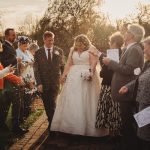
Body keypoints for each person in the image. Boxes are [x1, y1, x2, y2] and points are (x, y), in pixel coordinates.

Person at [50, 34, 108, 137]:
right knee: (72, 100)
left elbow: (93, 63)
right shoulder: (73, 50)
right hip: (73, 77)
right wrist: (63, 75)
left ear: (85, 44)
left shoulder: (91, 49)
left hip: (86, 76)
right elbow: (68, 63)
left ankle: (86, 129)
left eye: (80, 45)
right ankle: (70, 127)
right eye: (77, 45)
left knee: (85, 100)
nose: (78, 47)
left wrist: (91, 73)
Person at [102, 24, 145, 150]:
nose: (124, 33)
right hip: (124, 91)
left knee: (128, 123)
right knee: (127, 122)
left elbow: (128, 70)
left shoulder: (135, 49)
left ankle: (130, 146)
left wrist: (111, 62)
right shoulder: (130, 48)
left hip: (127, 92)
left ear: (131, 35)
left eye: (127, 32)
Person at [119, 36, 150, 150]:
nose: (144, 50)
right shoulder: (147, 64)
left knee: (145, 136)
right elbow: (139, 78)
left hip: (148, 106)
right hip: (142, 104)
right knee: (142, 133)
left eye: (146, 48)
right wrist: (128, 86)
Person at [34, 31, 65, 134]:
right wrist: (39, 83)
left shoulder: (59, 51)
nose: (51, 42)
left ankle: (53, 126)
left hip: (55, 82)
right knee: (47, 105)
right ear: (44, 40)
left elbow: (63, 66)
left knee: (53, 103)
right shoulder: (38, 53)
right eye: (49, 40)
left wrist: (63, 77)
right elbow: (36, 70)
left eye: (52, 40)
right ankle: (52, 122)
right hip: (43, 83)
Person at [95, 32, 123, 137]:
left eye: (110, 42)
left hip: (109, 85)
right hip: (118, 84)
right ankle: (115, 132)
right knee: (115, 108)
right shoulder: (124, 53)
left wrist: (103, 66)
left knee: (108, 108)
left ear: (114, 42)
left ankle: (112, 134)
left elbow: (104, 73)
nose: (109, 43)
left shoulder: (112, 53)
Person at [0, 28, 27, 134]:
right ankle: (15, 127)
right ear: (6, 36)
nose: (15, 37)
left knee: (5, 104)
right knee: (16, 103)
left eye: (15, 35)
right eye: (12, 35)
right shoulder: (4, 47)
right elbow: (3, 62)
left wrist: (18, 63)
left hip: (10, 77)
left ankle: (3, 125)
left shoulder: (10, 46)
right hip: (9, 79)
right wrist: (16, 60)